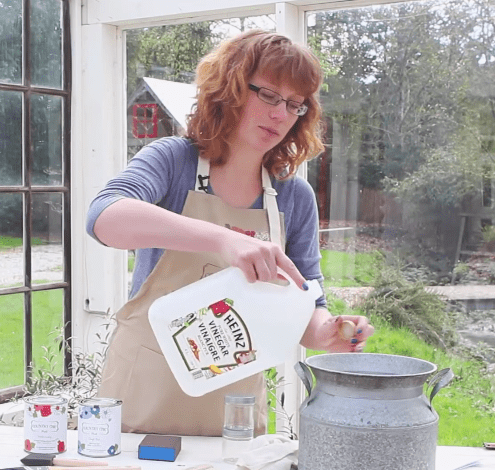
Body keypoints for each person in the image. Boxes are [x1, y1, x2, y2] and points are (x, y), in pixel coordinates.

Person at [85, 30, 375, 436]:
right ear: (230, 87)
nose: (280, 114)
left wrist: (324, 331)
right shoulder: (173, 161)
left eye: (294, 104)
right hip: (142, 396)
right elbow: (104, 218)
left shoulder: (293, 196)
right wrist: (224, 240)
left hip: (234, 408)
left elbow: (307, 298)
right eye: (269, 95)